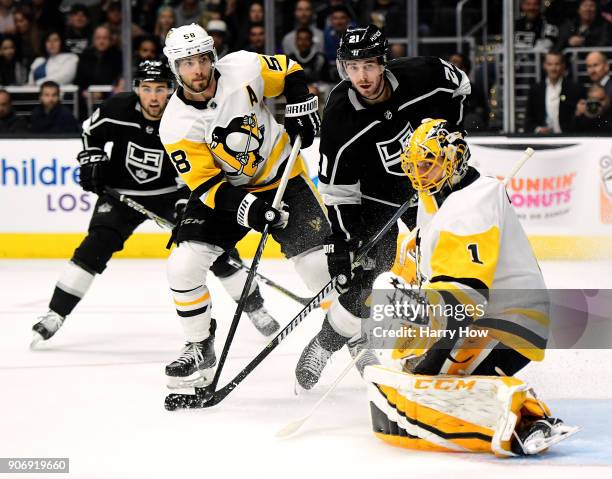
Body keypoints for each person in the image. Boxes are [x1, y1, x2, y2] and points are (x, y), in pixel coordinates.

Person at [364, 118, 576, 456]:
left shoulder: (469, 208)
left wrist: (429, 370)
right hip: (488, 314)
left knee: (427, 373)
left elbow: (462, 306)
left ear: (453, 161)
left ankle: (528, 420)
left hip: (510, 324)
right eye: (414, 165)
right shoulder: (439, 194)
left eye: (427, 165)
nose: (419, 173)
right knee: (392, 304)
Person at [31, 61, 279, 349]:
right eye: (146, 89)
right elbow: (90, 133)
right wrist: (93, 160)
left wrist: (189, 198)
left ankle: (255, 308)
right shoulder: (116, 109)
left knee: (212, 248)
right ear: (136, 89)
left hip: (174, 193)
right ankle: (54, 313)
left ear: (171, 89)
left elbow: (205, 164)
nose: (153, 97)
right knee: (95, 246)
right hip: (122, 193)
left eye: (160, 89)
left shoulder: (185, 116)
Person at [294, 24, 471, 391]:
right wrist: (344, 240)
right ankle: (324, 346)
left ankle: (454, 348)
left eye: (369, 66)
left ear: (383, 63)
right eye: (352, 67)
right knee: (368, 280)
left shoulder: (425, 75)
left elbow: (461, 86)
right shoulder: (340, 117)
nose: (362, 76)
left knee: (450, 261)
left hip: (430, 180)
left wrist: (453, 131)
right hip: (373, 197)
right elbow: (339, 190)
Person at [159, 23, 330, 390]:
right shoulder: (175, 124)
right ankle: (199, 344)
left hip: (284, 175)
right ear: (175, 68)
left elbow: (289, 70)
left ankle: (357, 341)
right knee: (183, 265)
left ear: (213, 58)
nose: (198, 70)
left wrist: (300, 107)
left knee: (321, 270)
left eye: (202, 59)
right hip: (229, 192)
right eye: (187, 63)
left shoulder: (243, 68)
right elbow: (208, 187)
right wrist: (251, 209)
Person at [525, 51, 583, 134]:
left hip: (568, 137)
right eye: (550, 64)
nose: (553, 68)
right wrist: (538, 129)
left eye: (557, 64)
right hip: (543, 139)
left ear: (563, 66)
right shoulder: (535, 90)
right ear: (544, 65)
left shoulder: (575, 89)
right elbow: (528, 119)